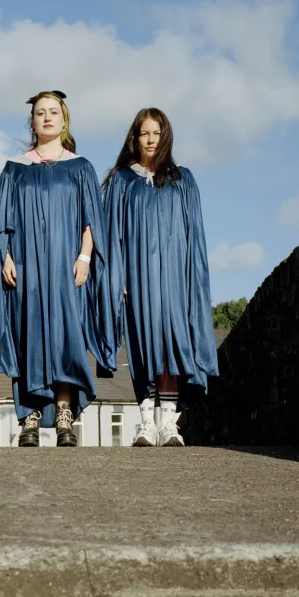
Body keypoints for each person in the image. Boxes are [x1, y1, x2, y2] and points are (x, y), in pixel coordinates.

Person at [0, 91, 119, 447]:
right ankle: (30, 417)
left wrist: (85, 257)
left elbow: (91, 218)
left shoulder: (80, 167)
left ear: (64, 121)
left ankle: (64, 413)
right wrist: (6, 257)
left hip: (67, 267)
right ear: (32, 122)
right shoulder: (15, 169)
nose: (47, 118)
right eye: (40, 113)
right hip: (27, 268)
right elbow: (3, 221)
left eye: (53, 112)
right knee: (28, 335)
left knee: (67, 336)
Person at [102, 108, 218, 447]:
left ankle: (169, 424)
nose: (151, 139)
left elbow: (194, 232)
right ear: (134, 138)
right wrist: (117, 275)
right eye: (144, 133)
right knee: (143, 344)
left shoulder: (183, 179)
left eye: (157, 132)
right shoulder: (123, 180)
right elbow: (113, 234)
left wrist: (191, 275)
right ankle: (145, 423)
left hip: (174, 277)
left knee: (171, 344)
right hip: (137, 277)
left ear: (165, 136)